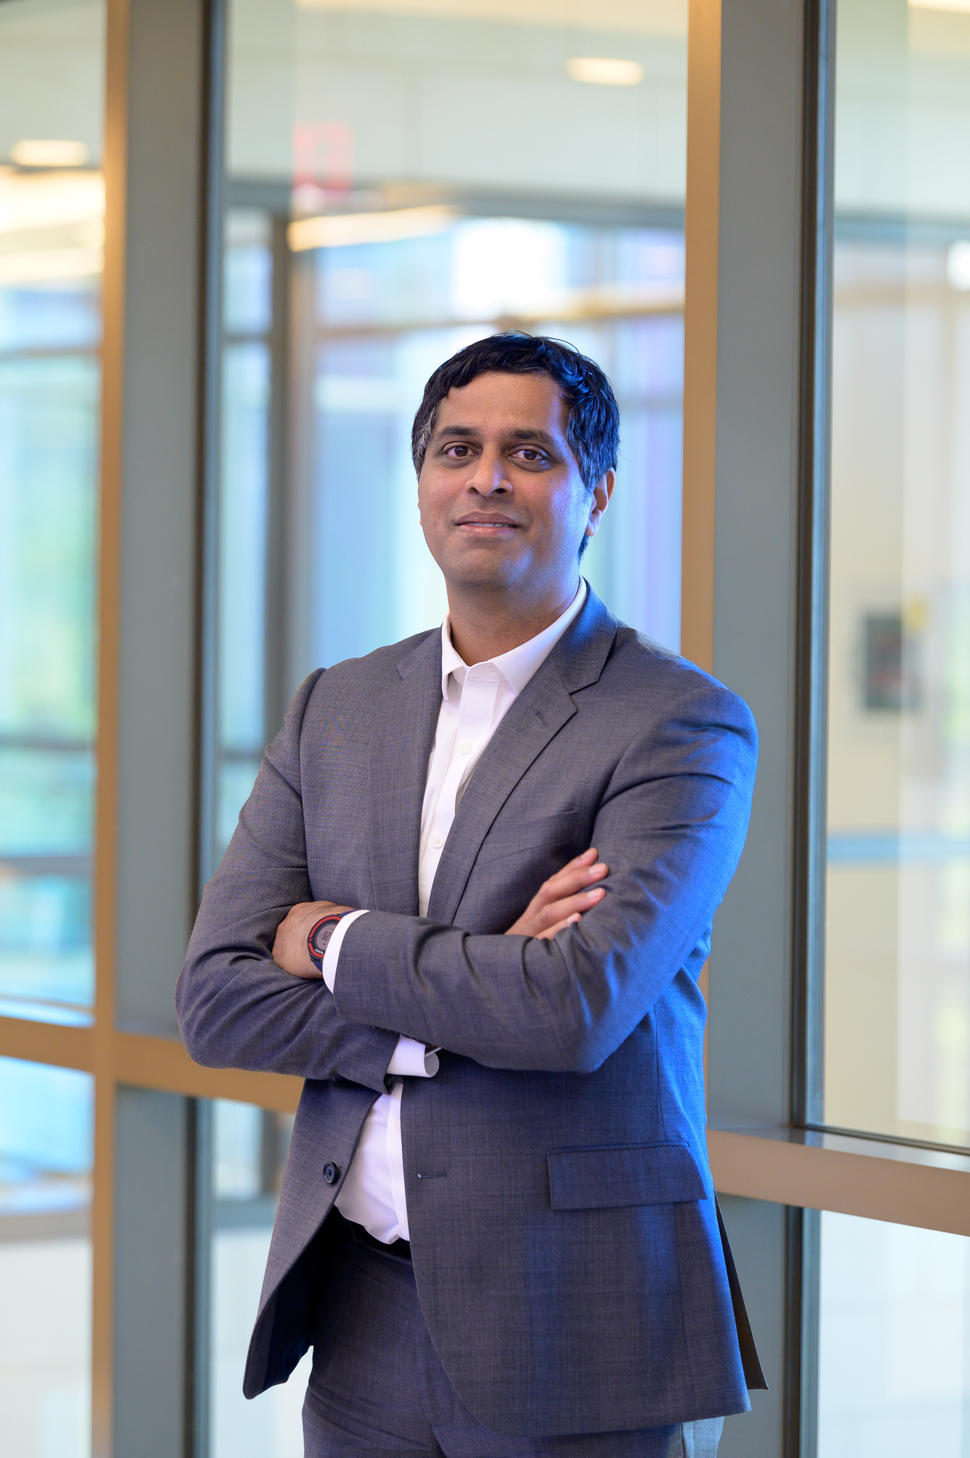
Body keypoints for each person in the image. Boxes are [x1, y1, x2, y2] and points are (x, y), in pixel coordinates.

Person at [177, 332, 765, 1457]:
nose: (486, 477)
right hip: (359, 1310)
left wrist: (334, 935)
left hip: (573, 1320)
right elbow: (216, 1001)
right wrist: (479, 967)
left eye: (528, 453)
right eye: (457, 448)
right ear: (421, 486)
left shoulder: (676, 721)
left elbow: (572, 1010)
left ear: (594, 489)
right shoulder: (336, 707)